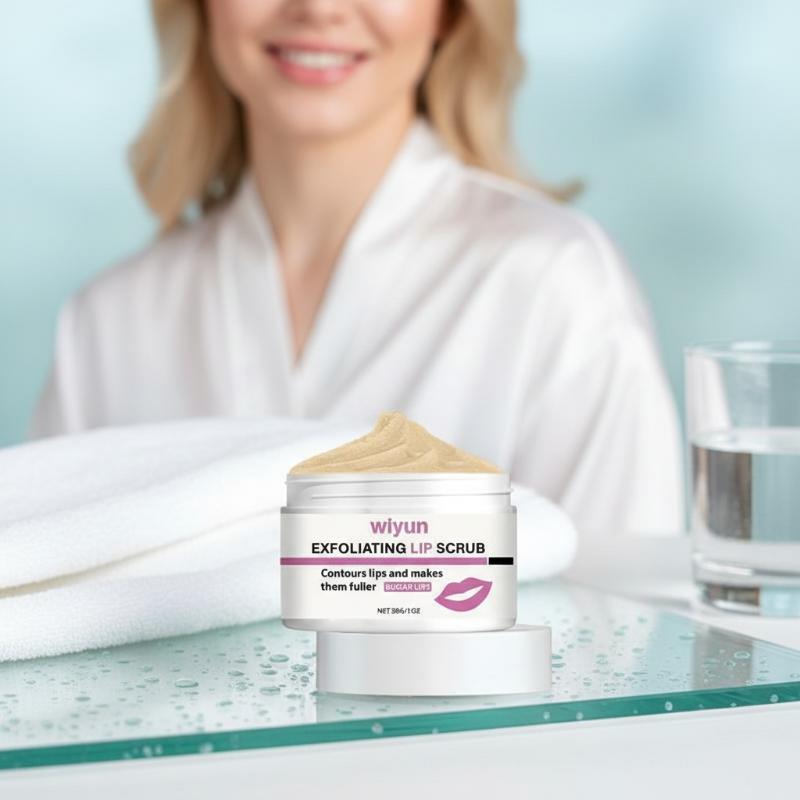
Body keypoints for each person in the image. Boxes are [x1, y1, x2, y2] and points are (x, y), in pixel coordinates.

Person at [29, 0, 684, 536]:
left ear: (450, 12)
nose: (319, 9)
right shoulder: (106, 325)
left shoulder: (555, 284)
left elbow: (624, 629)